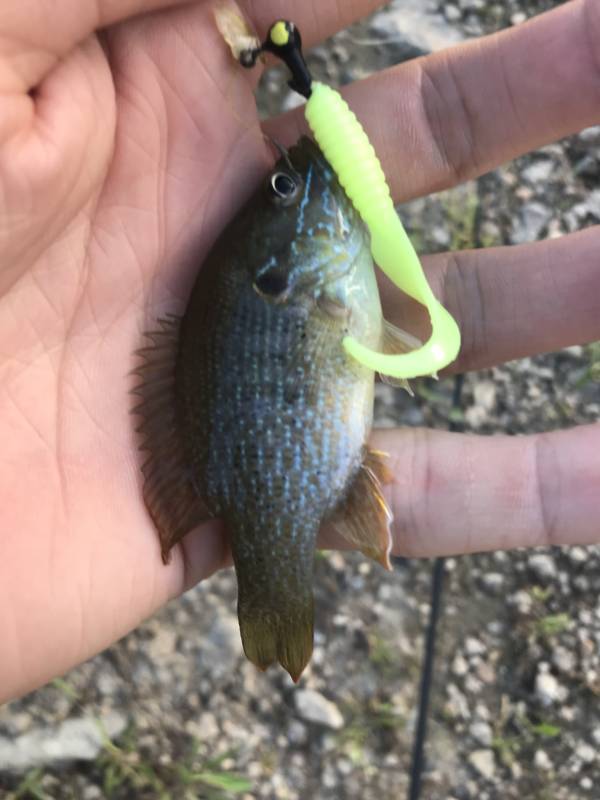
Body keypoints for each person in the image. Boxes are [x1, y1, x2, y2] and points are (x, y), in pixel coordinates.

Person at [0, 0, 598, 705]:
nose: (295, 181)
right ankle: (275, 612)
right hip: (289, 455)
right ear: (276, 277)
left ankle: (276, 616)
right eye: (286, 189)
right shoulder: (300, 288)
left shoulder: (297, 283)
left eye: (282, 185)